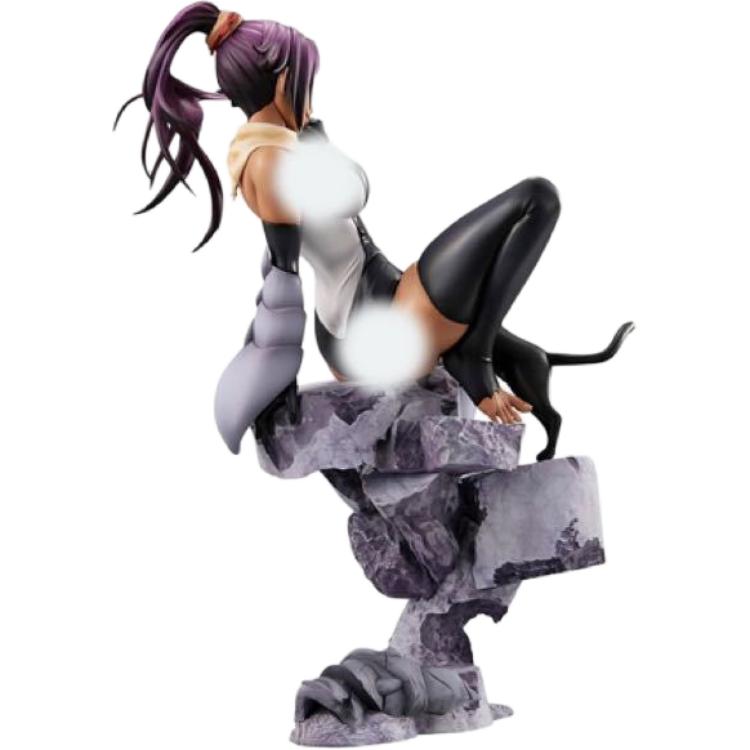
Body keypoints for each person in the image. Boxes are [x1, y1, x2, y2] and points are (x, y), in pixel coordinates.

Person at [117, 2, 562, 454]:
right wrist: (270, 384)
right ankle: (474, 354)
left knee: (503, 257)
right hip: (372, 330)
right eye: (304, 82)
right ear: (283, 81)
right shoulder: (269, 162)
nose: (309, 97)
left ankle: (475, 351)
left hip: (387, 298)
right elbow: (288, 273)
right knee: (537, 198)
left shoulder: (279, 148)